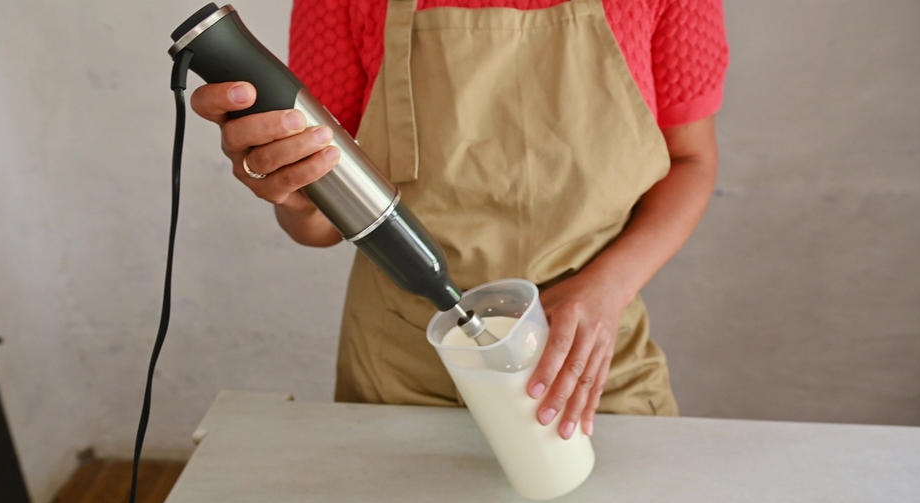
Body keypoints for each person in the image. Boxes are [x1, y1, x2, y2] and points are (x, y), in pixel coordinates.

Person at [190, 0, 729, 440]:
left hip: (585, 359)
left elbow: (692, 160)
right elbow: (321, 224)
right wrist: (295, 194)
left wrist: (608, 289)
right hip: (402, 366)